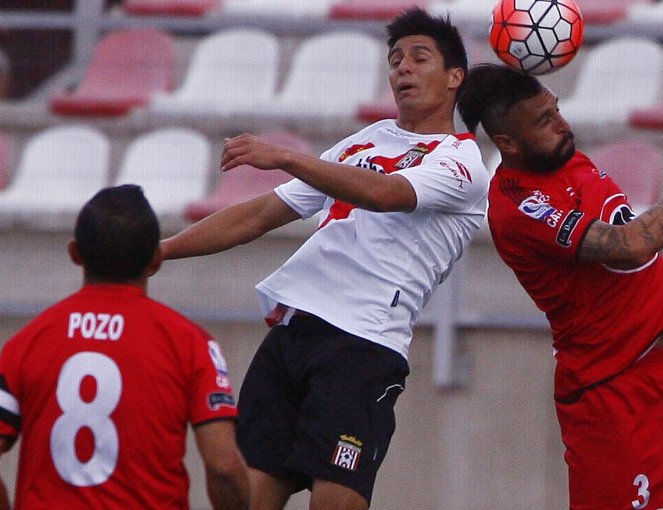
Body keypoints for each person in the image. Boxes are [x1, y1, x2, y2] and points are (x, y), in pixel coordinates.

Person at [160, 8, 488, 510]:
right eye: (395, 59)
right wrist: (162, 251)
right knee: (250, 496)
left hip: (361, 346)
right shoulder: (369, 138)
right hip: (293, 330)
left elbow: (386, 194)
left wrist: (288, 156)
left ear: (454, 77)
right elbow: (260, 214)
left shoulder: (461, 162)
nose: (402, 68)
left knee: (335, 500)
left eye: (420, 58)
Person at [457, 63, 663, 510]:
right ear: (507, 143)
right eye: (544, 120)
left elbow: (612, 235)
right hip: (612, 393)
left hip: (659, 377)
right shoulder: (520, 203)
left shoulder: (565, 155)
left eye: (556, 110)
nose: (563, 125)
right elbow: (628, 245)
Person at [0, 184, 249, 510]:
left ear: (75, 253)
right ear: (156, 260)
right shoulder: (190, 343)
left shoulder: (26, 342)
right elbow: (224, 467)